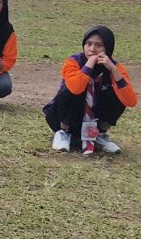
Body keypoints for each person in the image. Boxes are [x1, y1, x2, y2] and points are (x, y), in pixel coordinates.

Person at [44, 26, 136, 154]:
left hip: (95, 119)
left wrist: (114, 70)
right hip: (66, 118)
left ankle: (99, 135)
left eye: (98, 45)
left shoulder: (115, 66)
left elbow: (130, 101)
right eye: (89, 44)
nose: (92, 49)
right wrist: (88, 66)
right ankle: (63, 133)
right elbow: (75, 88)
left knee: (119, 92)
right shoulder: (73, 61)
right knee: (71, 89)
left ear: (107, 48)